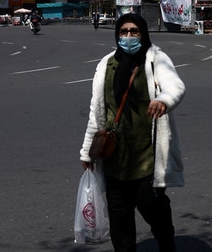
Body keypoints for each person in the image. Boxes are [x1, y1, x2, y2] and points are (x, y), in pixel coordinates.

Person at [79, 13, 185, 252]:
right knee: (120, 217)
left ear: (143, 34)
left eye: (134, 31)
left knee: (152, 207)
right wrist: (87, 151)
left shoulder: (155, 59)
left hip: (147, 155)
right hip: (115, 157)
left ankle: (166, 242)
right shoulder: (107, 64)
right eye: (123, 31)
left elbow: (175, 86)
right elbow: (97, 112)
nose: (128, 36)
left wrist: (164, 100)